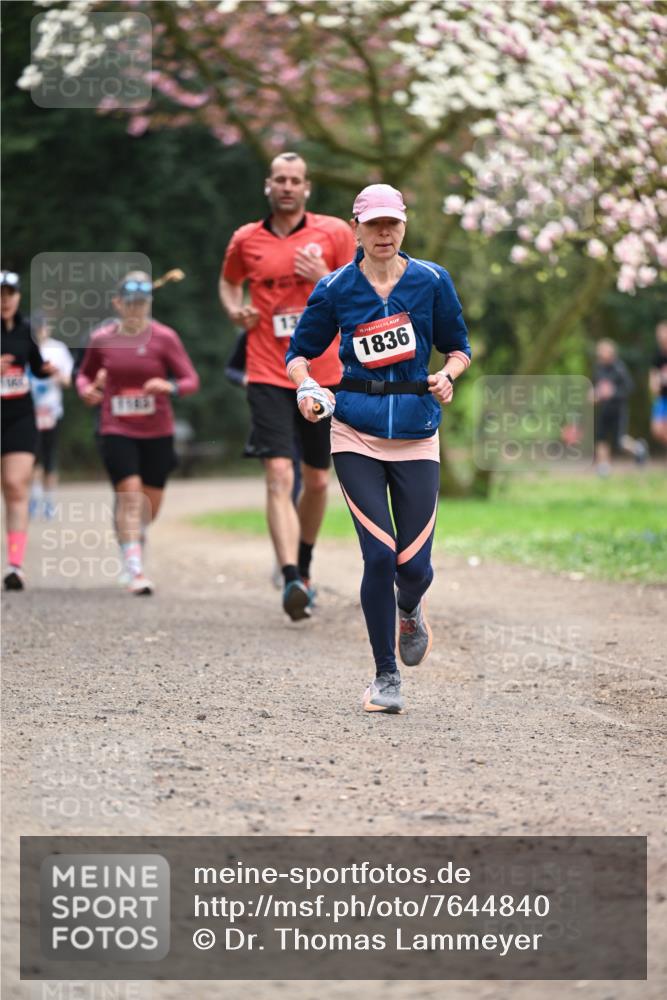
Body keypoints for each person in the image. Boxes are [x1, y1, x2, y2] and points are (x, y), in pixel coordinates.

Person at [286, 184, 471, 713]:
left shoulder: (432, 280)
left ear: (404, 226)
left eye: (393, 223)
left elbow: (459, 347)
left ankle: (410, 608)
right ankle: (385, 677)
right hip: (355, 431)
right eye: (374, 225)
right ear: (357, 230)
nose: (384, 233)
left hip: (417, 432)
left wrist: (447, 376)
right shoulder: (335, 287)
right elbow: (298, 353)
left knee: (413, 568)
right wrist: (306, 388)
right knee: (379, 555)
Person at [219, 151, 356, 621]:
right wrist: (234, 310)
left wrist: (325, 279)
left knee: (316, 481)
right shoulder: (246, 239)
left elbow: (363, 290)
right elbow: (228, 282)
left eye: (296, 180)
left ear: (307, 188)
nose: (287, 187)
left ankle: (305, 565)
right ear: (268, 185)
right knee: (279, 474)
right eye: (280, 179)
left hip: (324, 375)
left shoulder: (334, 233)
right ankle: (292, 577)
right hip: (267, 370)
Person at [76, 270, 199, 595]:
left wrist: (169, 386)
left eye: (142, 303)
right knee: (130, 493)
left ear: (149, 303)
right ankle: (135, 570)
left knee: (149, 506)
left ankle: (133, 538)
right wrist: (87, 390)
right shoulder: (101, 338)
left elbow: (190, 380)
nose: (136, 309)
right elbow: (83, 375)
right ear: (118, 303)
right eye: (130, 303)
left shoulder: (165, 338)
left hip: (157, 430)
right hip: (115, 427)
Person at [1, 269, 57, 590]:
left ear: (18, 296)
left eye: (10, 294)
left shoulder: (25, 331)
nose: (5, 300)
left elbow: (36, 366)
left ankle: (15, 565)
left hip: (20, 416)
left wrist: (48, 370)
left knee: (15, 486)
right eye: (0, 294)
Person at [29, 313, 74, 520]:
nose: (40, 332)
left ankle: (48, 501)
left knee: (49, 459)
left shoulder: (58, 349)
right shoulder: (25, 347)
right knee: (31, 459)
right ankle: (34, 497)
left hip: (52, 412)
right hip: (28, 413)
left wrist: (54, 373)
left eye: (42, 327)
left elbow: (68, 380)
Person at [592, 338, 647, 476]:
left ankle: (638, 448)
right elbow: (597, 387)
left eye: (603, 351)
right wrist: (594, 394)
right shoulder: (599, 368)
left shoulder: (619, 368)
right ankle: (603, 466)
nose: (600, 354)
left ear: (611, 352)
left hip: (618, 409)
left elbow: (629, 388)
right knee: (600, 437)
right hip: (604, 409)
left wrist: (613, 392)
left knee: (620, 441)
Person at [649, 321, 667, 448]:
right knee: (657, 430)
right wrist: (654, 384)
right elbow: (653, 378)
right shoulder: (657, 356)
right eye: (659, 335)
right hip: (662, 397)